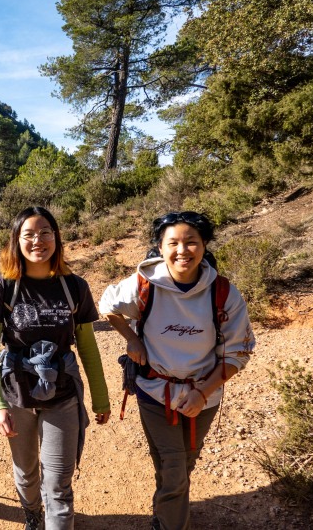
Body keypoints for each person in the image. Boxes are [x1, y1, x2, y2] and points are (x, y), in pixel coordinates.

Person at [99, 211, 255, 530]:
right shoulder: (145, 283)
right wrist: (132, 340)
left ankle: (164, 509)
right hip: (155, 391)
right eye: (173, 243)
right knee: (173, 467)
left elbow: (237, 353)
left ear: (204, 245)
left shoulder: (224, 293)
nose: (182, 250)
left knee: (184, 464)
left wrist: (202, 393)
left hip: (204, 394)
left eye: (191, 242)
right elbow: (108, 306)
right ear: (160, 247)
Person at [0, 206, 111, 530]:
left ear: (56, 238)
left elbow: (88, 348)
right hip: (17, 396)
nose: (38, 240)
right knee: (26, 473)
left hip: (63, 394)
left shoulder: (74, 287)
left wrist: (101, 398)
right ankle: (32, 512)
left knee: (58, 484)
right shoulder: (2, 288)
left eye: (45, 233)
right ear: (16, 241)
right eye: (29, 234)